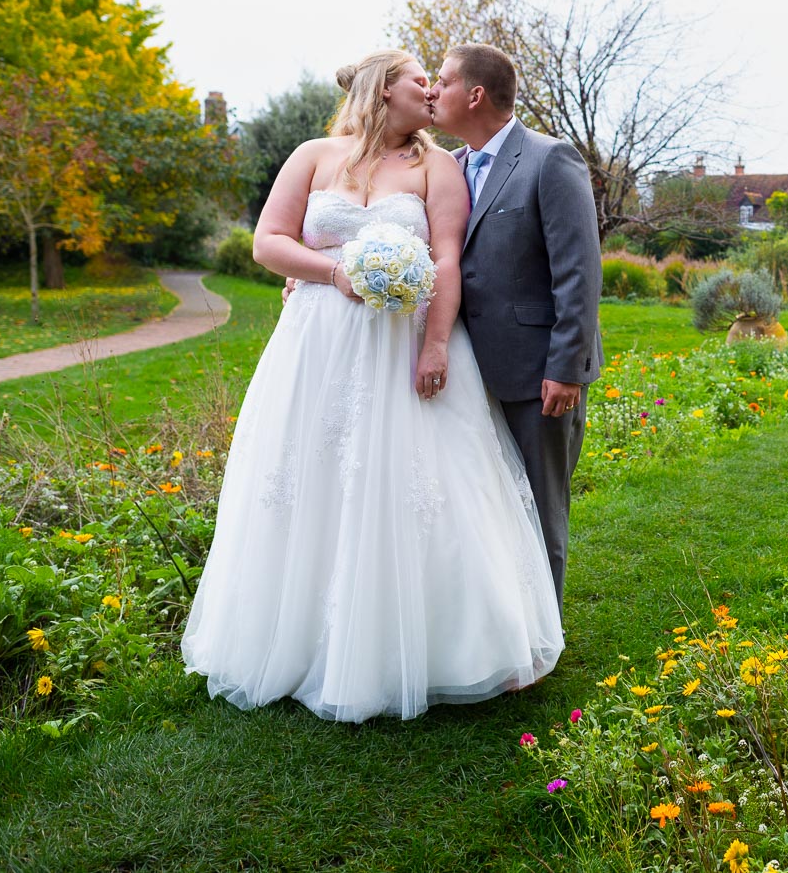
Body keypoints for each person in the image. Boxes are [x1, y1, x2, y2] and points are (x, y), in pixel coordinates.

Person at [180, 49, 563, 723]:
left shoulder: (437, 167)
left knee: (417, 486)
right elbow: (268, 242)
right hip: (316, 346)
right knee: (309, 481)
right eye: (422, 80)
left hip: (403, 344)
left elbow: (447, 259)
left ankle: (446, 645)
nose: (432, 90)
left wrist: (437, 344)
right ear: (385, 89)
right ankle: (300, 642)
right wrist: (331, 273)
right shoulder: (313, 156)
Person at [425, 43, 603, 609]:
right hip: (467, 372)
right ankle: (497, 629)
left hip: (536, 374)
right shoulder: (448, 167)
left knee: (537, 506)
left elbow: (579, 272)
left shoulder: (551, 159)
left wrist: (566, 368)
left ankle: (541, 642)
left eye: (444, 81)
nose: (432, 91)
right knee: (485, 509)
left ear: (475, 94)